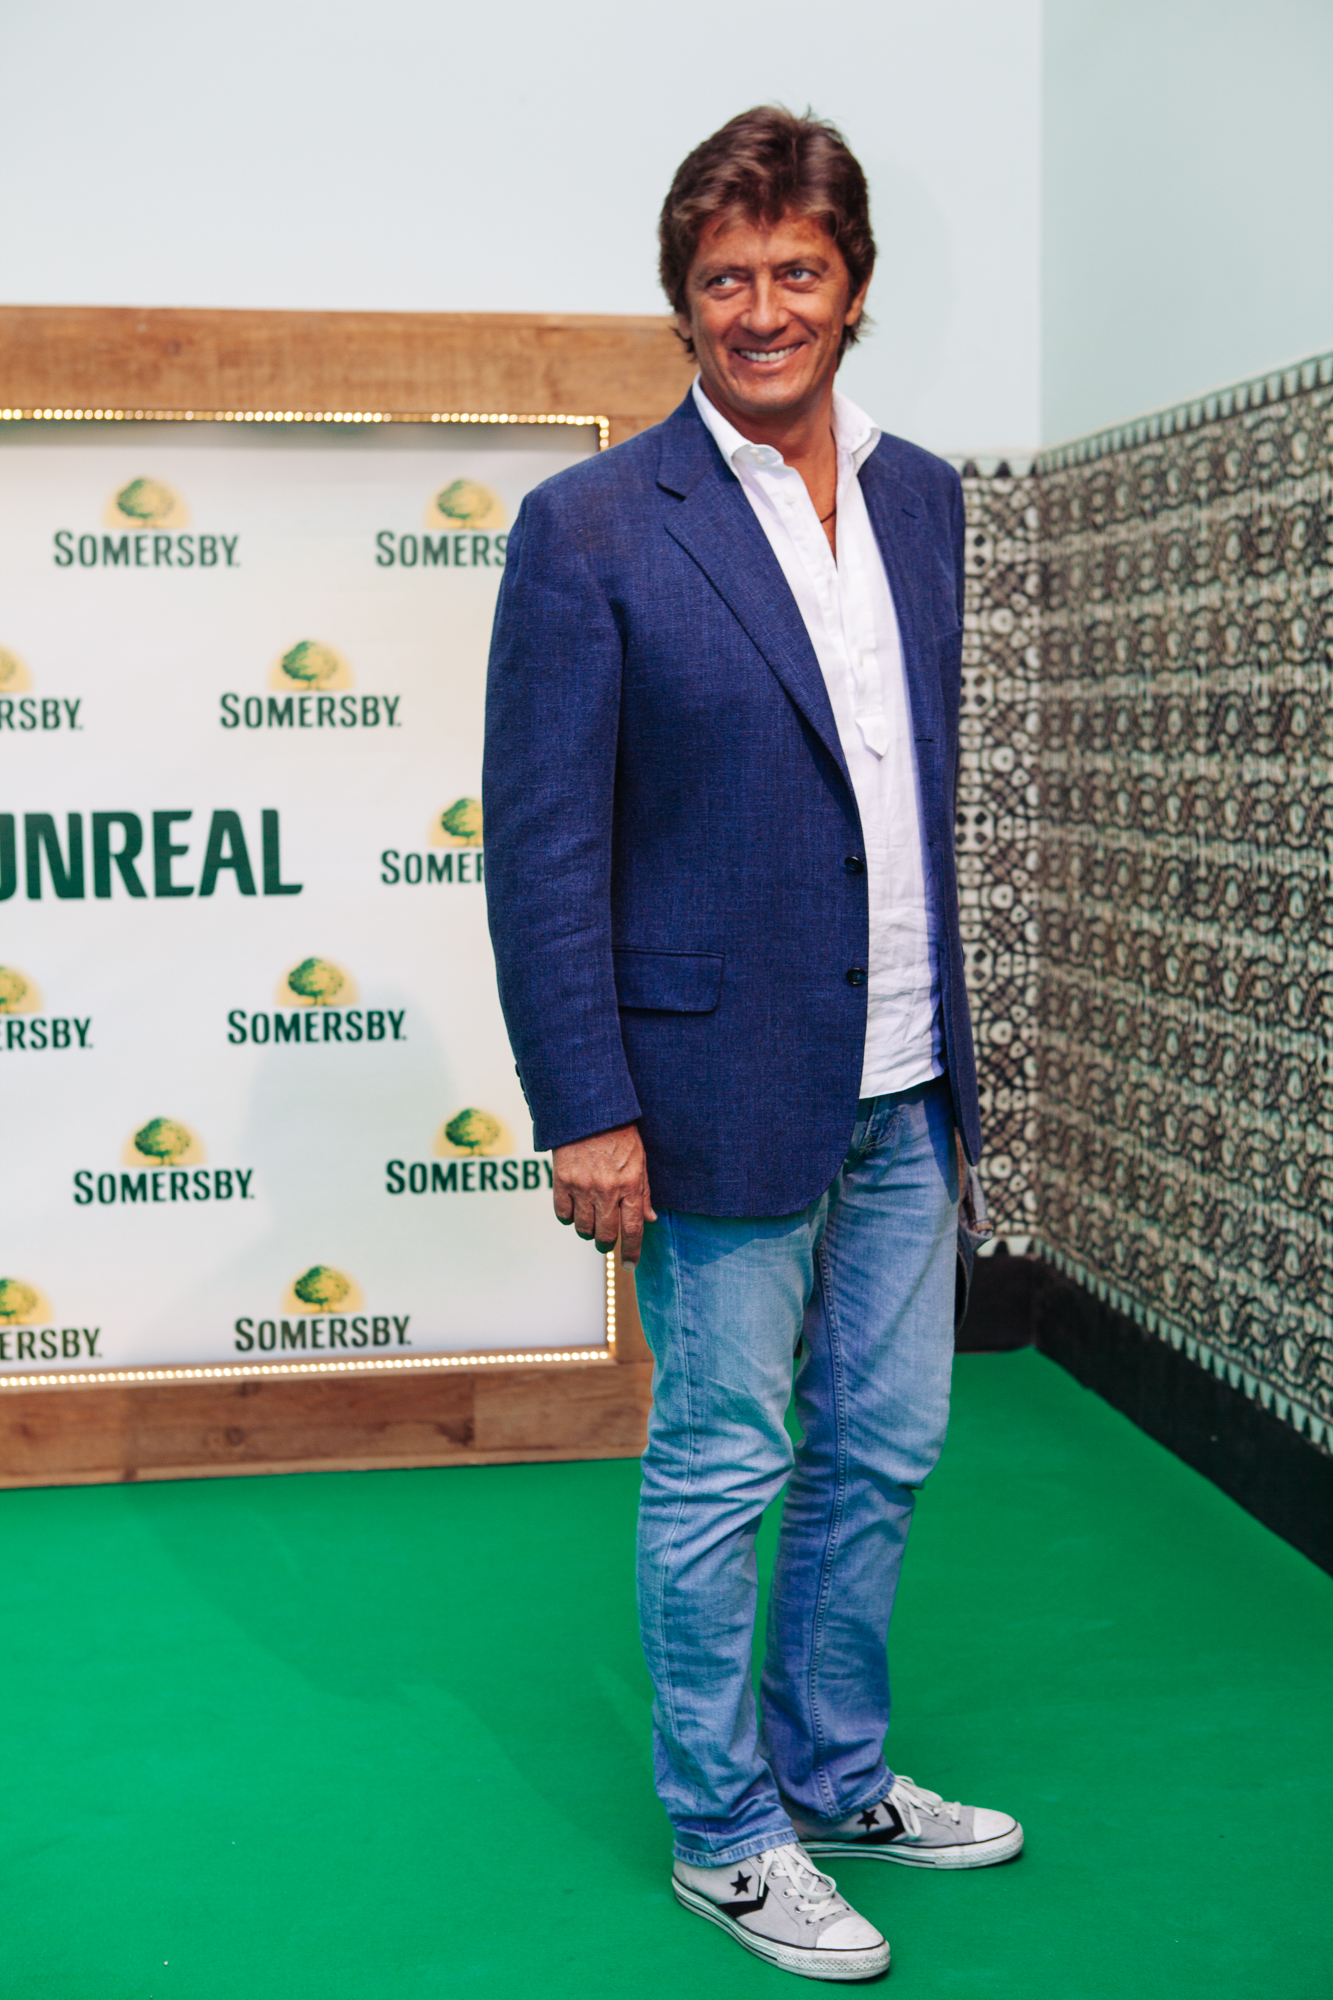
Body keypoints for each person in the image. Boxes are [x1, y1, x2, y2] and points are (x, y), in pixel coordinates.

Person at [483, 105, 1021, 1983]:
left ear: (852, 290)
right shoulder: (589, 528)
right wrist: (587, 1107)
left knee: (886, 1450)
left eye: (798, 271)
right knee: (723, 1465)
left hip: (906, 1078)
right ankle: (725, 1834)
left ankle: (836, 1776)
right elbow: (544, 843)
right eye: (726, 278)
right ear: (682, 301)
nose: (763, 308)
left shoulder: (923, 497)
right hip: (708, 1087)